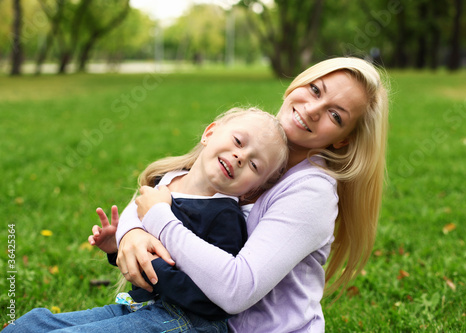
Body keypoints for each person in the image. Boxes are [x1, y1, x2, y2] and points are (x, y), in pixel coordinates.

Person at [115, 57, 390, 332]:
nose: (313, 109)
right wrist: (131, 233)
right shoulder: (256, 141)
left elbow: (237, 290)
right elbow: (170, 187)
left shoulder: (312, 192)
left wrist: (158, 220)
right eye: (316, 90)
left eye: (336, 115)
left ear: (342, 139)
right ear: (297, 84)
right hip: (184, 316)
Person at [3, 107, 289, 333]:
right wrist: (117, 248)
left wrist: (152, 265)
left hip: (189, 323)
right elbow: (144, 246)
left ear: (253, 188)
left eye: (254, 164)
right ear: (210, 133)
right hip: (142, 308)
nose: (241, 157)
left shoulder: (224, 218)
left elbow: (214, 301)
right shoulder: (167, 179)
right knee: (30, 325)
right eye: (238, 141)